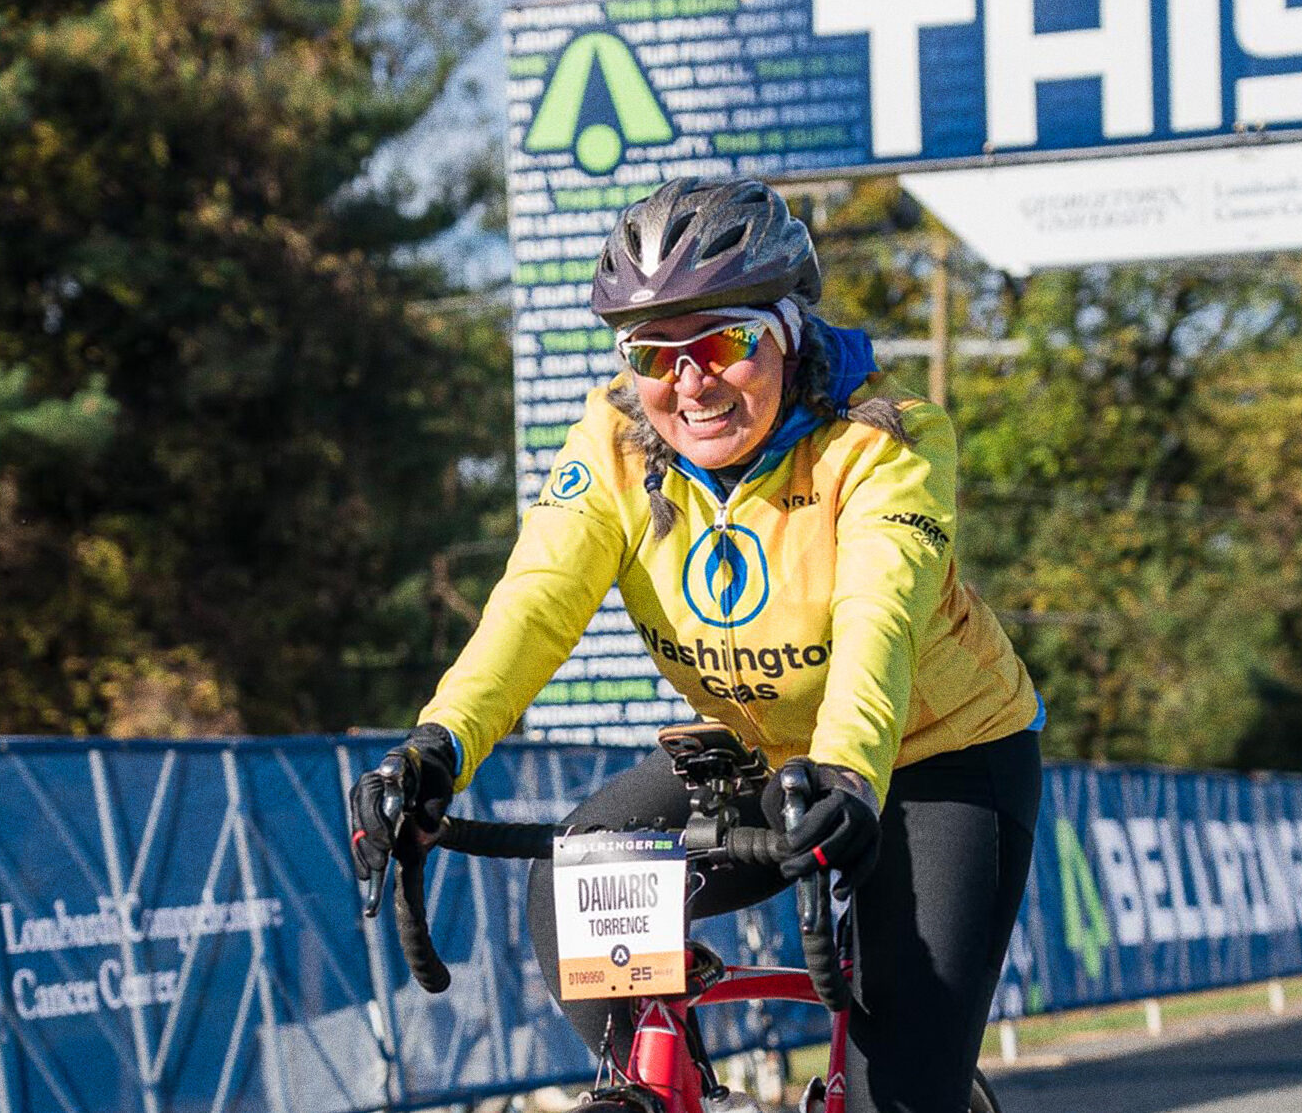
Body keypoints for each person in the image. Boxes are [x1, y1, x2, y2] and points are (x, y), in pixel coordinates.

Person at [351, 177, 1044, 1113]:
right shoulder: (614, 445)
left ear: (787, 330)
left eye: (722, 343)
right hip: (764, 754)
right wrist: (438, 747)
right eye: (653, 354)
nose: (690, 383)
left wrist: (846, 774)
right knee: (575, 888)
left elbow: (878, 622)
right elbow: (535, 603)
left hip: (938, 758)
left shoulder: (885, 443)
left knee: (901, 1096)